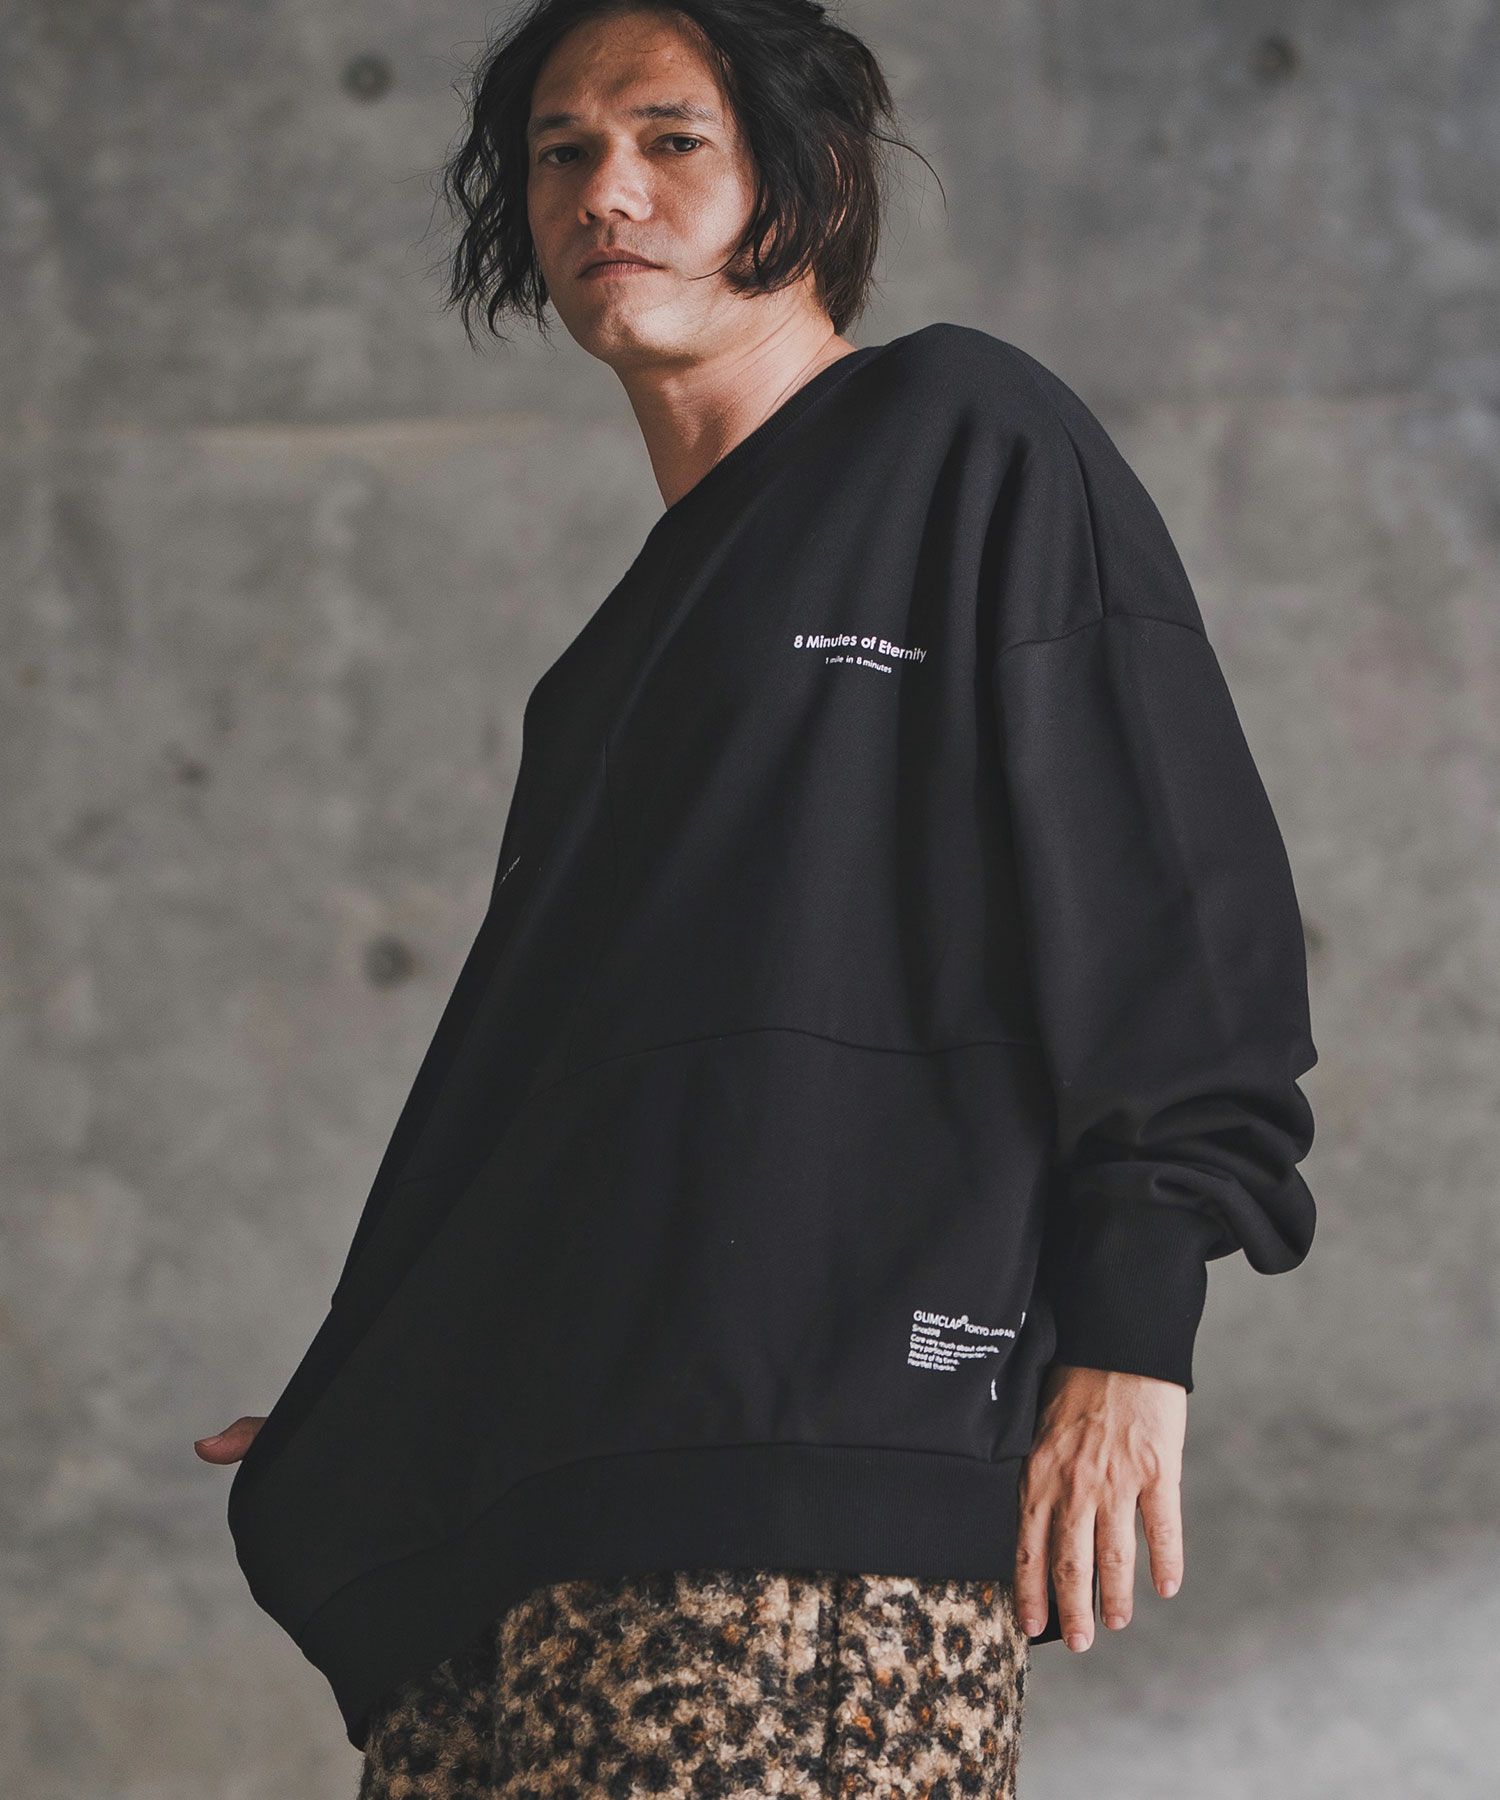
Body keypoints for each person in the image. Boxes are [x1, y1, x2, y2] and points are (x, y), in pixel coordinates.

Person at [197, 1, 1319, 1794]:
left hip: (802, 1528)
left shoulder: (964, 437)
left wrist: (1133, 1340)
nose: (605, 190)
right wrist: (405, 1398)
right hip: (529, 1548)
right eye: (561, 152)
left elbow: (1169, 908)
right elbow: (579, 1098)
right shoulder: (611, 666)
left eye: (671, 140)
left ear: (807, 181)